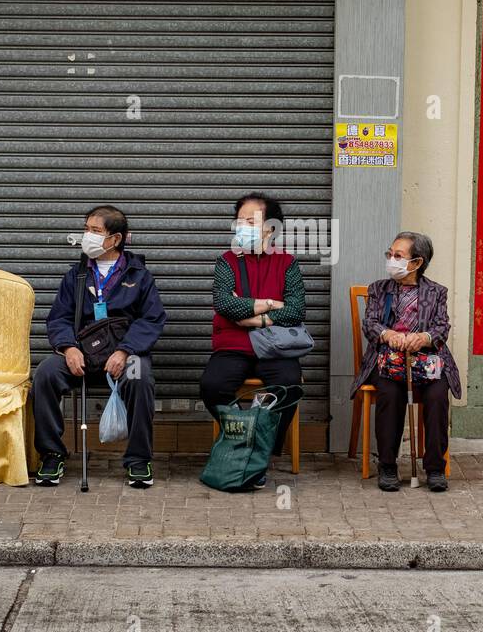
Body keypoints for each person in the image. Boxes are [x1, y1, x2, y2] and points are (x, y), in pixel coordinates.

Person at [32, 205, 167, 489]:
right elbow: (59, 317)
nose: (87, 237)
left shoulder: (139, 275)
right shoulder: (76, 275)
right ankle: (51, 453)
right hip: (82, 354)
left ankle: (139, 460)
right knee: (45, 374)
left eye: (95, 231)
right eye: (86, 230)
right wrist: (68, 348)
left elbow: (152, 319)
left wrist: (126, 350)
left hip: (123, 355)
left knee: (139, 376)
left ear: (115, 239)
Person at [198, 192, 306, 488]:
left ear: (271, 227)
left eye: (250, 220)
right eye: (239, 220)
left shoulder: (287, 263)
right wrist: (274, 304)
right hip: (233, 345)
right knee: (213, 385)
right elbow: (225, 305)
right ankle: (242, 437)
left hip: (275, 347)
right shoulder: (226, 262)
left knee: (288, 385)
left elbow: (297, 310)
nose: (241, 226)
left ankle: (262, 451)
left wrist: (254, 313)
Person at [351, 231, 460, 492]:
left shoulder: (436, 292)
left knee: (436, 394)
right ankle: (387, 465)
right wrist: (388, 335)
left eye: (398, 256)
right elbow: (371, 324)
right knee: (389, 391)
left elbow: (442, 328)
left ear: (417, 263)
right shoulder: (379, 289)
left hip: (426, 362)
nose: (391, 259)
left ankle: (435, 467)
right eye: (390, 254)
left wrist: (423, 337)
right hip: (387, 361)